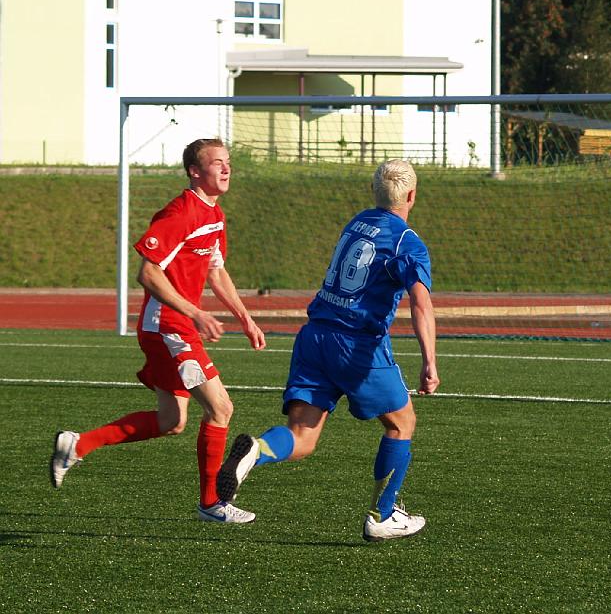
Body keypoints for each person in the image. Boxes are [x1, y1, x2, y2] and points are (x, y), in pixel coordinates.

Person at [216, 159, 439, 541]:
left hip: (314, 337)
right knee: (402, 423)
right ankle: (382, 515)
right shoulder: (408, 242)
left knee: (302, 437)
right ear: (412, 195)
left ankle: (257, 449)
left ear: (373, 192)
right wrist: (429, 361)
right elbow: (421, 304)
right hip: (356, 345)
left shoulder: (357, 222)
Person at [50, 137, 266, 524]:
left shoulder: (215, 215)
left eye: (227, 161)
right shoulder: (180, 212)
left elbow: (216, 272)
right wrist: (195, 312)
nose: (226, 168)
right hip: (167, 327)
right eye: (216, 162)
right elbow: (147, 272)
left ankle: (78, 445)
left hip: (175, 326)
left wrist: (245, 319)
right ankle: (211, 503)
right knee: (221, 408)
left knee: (171, 421)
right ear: (194, 171)